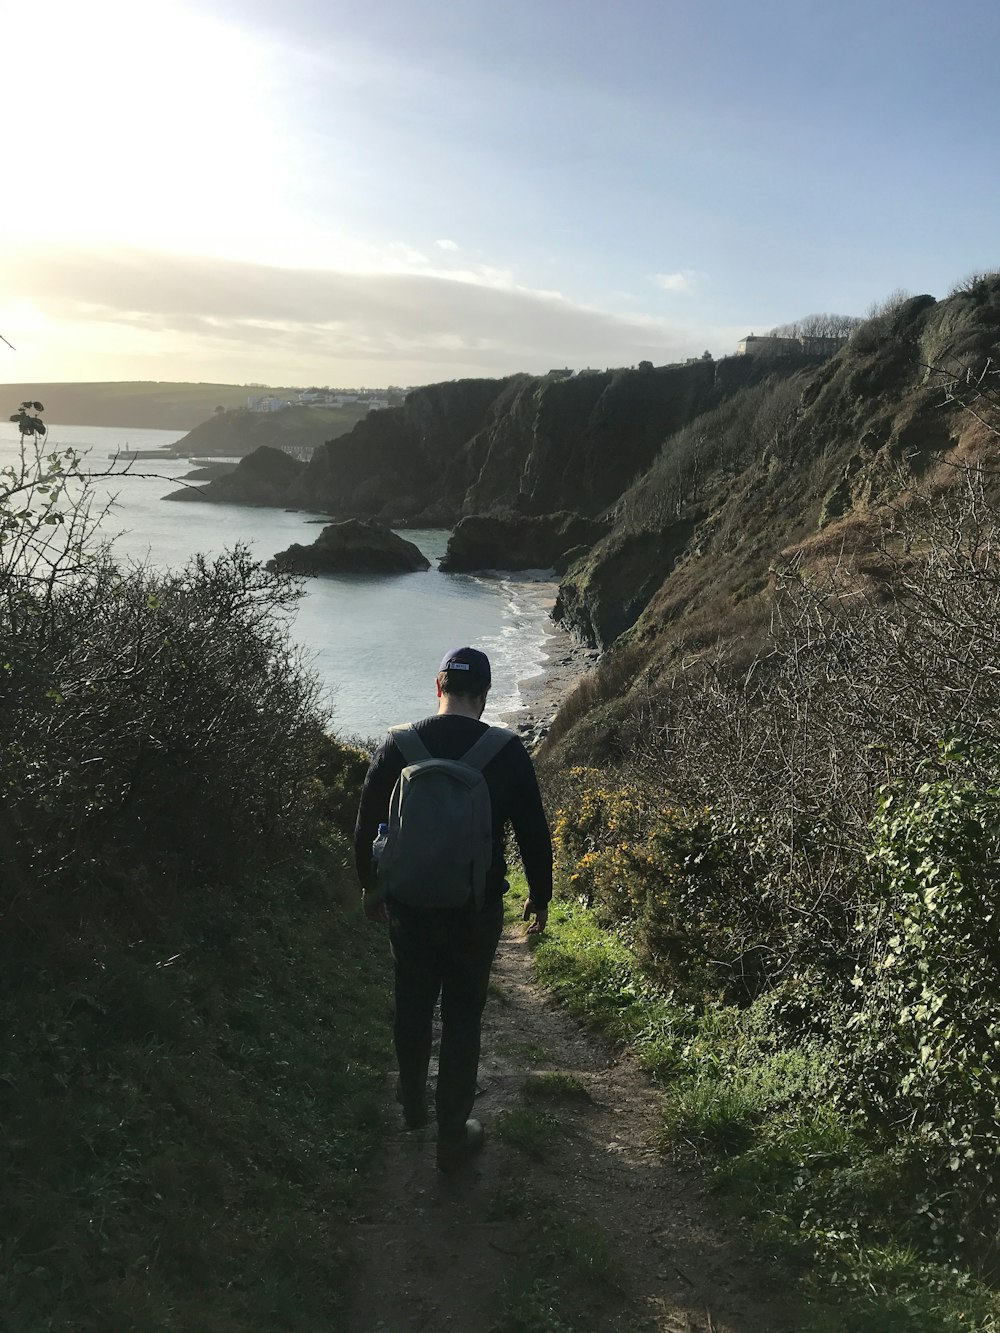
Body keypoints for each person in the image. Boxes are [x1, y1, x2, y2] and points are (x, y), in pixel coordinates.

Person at [354, 645, 552, 1172]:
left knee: (412, 1000)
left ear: (437, 688)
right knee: (464, 1013)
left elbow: (364, 821)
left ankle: (413, 1105)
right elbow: (534, 832)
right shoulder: (506, 751)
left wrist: (369, 890)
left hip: (409, 905)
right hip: (475, 909)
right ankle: (451, 1135)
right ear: (483, 697)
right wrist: (541, 894)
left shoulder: (398, 745)